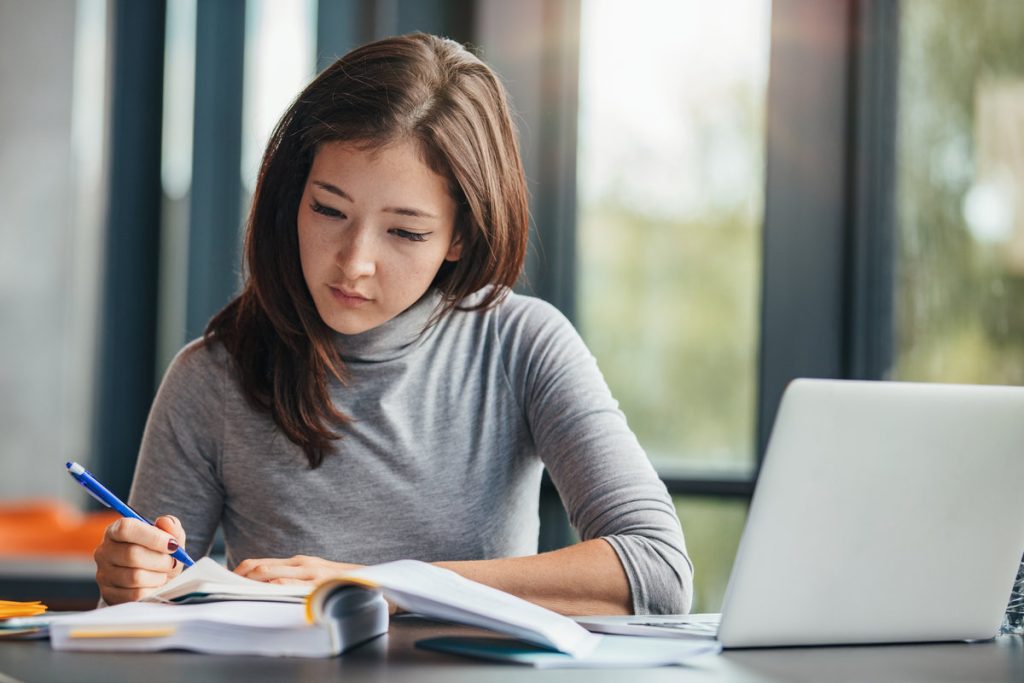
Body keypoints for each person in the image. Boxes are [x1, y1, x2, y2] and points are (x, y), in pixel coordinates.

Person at [93, 32, 693, 616]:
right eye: (328, 209)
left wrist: (384, 585)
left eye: (405, 232)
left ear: (460, 236)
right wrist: (131, 587)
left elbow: (658, 570)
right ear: (292, 195)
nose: (353, 263)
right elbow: (138, 624)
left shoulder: (521, 345)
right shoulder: (213, 378)